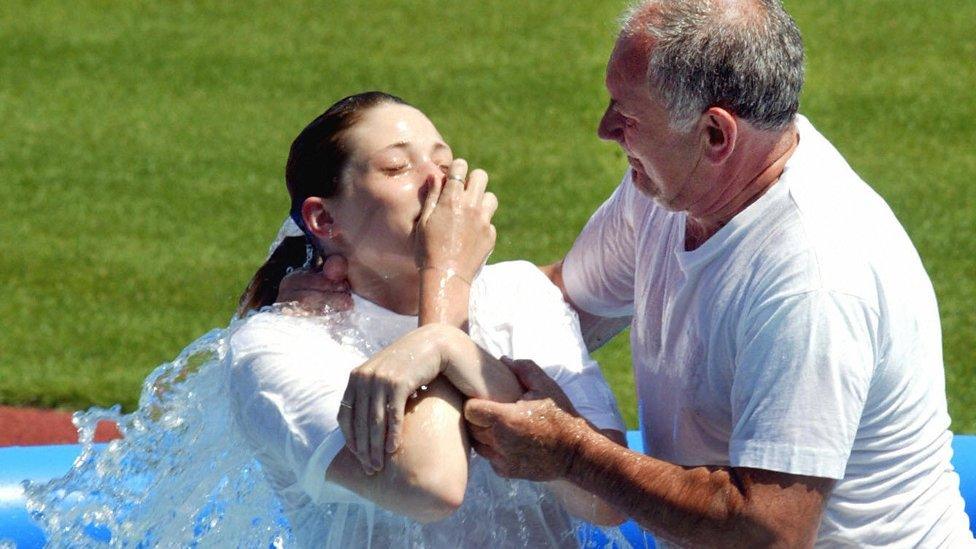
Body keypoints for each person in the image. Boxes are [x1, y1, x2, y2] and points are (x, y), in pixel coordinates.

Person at [323, 2, 975, 547]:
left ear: (716, 135)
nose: (606, 129)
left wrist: (573, 454)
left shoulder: (813, 278)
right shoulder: (676, 188)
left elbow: (768, 530)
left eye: (628, 114)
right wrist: (359, 295)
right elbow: (565, 303)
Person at [227, 91, 627, 547]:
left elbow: (609, 500)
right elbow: (431, 486)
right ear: (323, 218)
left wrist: (444, 346)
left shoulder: (518, 293)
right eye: (397, 168)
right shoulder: (280, 346)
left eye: (445, 161)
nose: (438, 181)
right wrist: (447, 285)